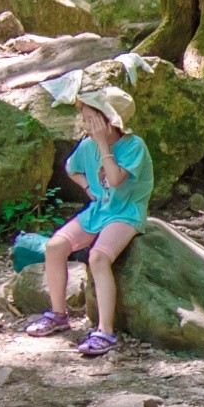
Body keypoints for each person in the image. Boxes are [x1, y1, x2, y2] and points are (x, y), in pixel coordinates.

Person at [25, 84, 152, 358]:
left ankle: (105, 331)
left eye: (91, 120)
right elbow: (71, 168)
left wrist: (104, 144)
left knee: (98, 258)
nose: (86, 126)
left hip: (125, 211)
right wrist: (87, 188)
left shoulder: (134, 146)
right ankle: (58, 314)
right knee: (54, 247)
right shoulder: (86, 146)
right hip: (100, 210)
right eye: (85, 120)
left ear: (110, 121)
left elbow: (115, 180)